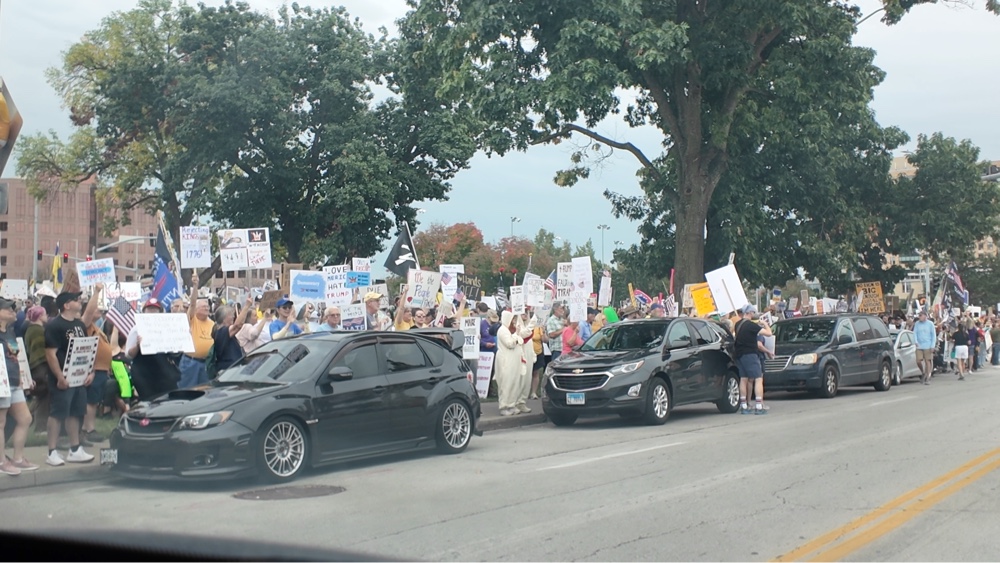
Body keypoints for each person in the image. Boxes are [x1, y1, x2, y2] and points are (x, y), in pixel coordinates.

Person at [43, 290, 99, 466]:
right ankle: (51, 452)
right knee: (58, 413)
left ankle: (75, 449)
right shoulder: (55, 326)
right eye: (76, 300)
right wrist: (59, 376)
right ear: (66, 305)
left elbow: (86, 349)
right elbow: (50, 354)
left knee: (76, 412)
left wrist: (90, 372)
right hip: (62, 378)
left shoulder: (79, 325)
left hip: (79, 377)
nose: (79, 301)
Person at [0, 297, 37, 474]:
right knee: (0, 422)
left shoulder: (10, 331)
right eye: (7, 309)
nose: (12, 311)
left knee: (25, 418)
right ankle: (1, 461)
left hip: (14, 381)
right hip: (2, 382)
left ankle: (18, 458)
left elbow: (15, 355)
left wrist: (24, 377)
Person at [125, 298, 181, 400]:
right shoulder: (136, 329)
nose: (152, 312)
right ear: (144, 311)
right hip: (144, 374)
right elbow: (128, 355)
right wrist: (137, 346)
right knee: (149, 401)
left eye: (155, 309)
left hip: (164, 372)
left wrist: (183, 338)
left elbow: (174, 352)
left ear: (160, 312)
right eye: (149, 309)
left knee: (169, 399)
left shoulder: (167, 328)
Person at [80, 285, 112, 445]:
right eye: (95, 308)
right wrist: (97, 292)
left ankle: (88, 428)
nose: (98, 309)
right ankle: (88, 429)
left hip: (101, 370)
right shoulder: (84, 326)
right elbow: (88, 313)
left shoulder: (97, 328)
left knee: (93, 401)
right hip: (93, 370)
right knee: (90, 402)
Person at [734, 304, 773, 414]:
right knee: (758, 379)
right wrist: (765, 324)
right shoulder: (751, 325)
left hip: (739, 354)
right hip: (750, 354)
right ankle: (759, 406)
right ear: (750, 313)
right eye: (753, 312)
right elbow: (769, 333)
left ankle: (744, 406)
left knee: (743, 379)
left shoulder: (737, 324)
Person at [180, 275, 215, 389]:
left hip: (206, 363)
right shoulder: (192, 319)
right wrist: (195, 286)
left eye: (207, 307)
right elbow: (193, 302)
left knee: (205, 391)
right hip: (191, 363)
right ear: (195, 310)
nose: (206, 308)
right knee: (188, 392)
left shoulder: (212, 323)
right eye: (203, 307)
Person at [24, 305, 50, 434]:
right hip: (40, 365)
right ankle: (40, 426)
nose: (47, 316)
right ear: (40, 316)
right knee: (44, 395)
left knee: (40, 396)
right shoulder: (38, 331)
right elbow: (40, 349)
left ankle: (28, 420)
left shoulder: (30, 329)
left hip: (34, 365)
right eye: (44, 314)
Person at [495, 311, 526, 416]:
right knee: (506, 383)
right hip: (505, 360)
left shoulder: (509, 330)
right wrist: (516, 335)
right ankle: (504, 406)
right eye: (513, 319)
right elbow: (510, 343)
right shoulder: (502, 330)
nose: (514, 321)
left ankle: (511, 404)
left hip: (512, 360)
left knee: (514, 382)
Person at [213, 296, 254, 372]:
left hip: (233, 370)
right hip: (226, 371)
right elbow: (237, 326)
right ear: (224, 318)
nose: (233, 316)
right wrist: (247, 306)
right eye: (230, 314)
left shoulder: (225, 332)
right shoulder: (220, 332)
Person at [912, 311, 936, 385]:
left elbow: (933, 335)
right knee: (918, 361)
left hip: (928, 345)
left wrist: (932, 346)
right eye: (919, 315)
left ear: (925, 316)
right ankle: (923, 372)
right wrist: (915, 341)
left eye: (920, 315)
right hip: (919, 345)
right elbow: (915, 333)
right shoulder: (917, 324)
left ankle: (928, 376)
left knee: (927, 361)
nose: (919, 317)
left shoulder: (930, 324)